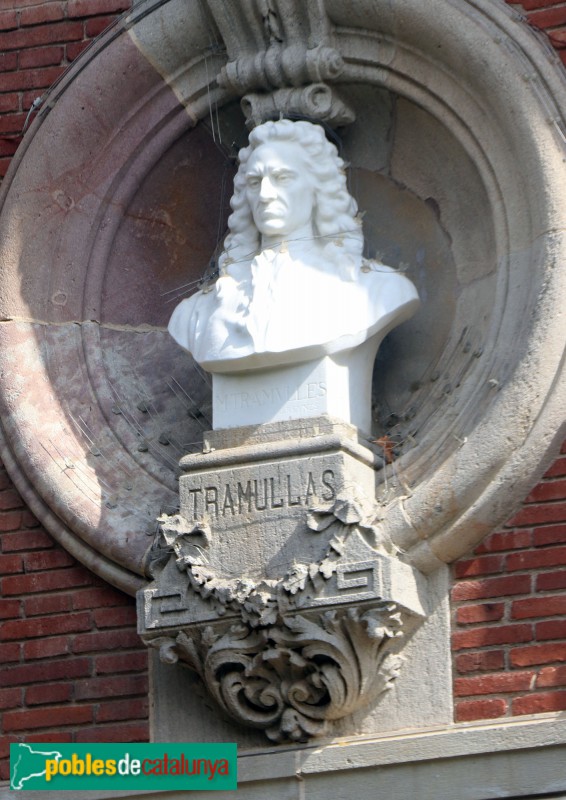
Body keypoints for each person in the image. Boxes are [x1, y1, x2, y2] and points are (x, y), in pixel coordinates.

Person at [168, 119, 419, 373]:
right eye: (255, 182)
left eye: (282, 177)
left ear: (317, 189)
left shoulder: (378, 292)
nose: (266, 194)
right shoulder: (196, 313)